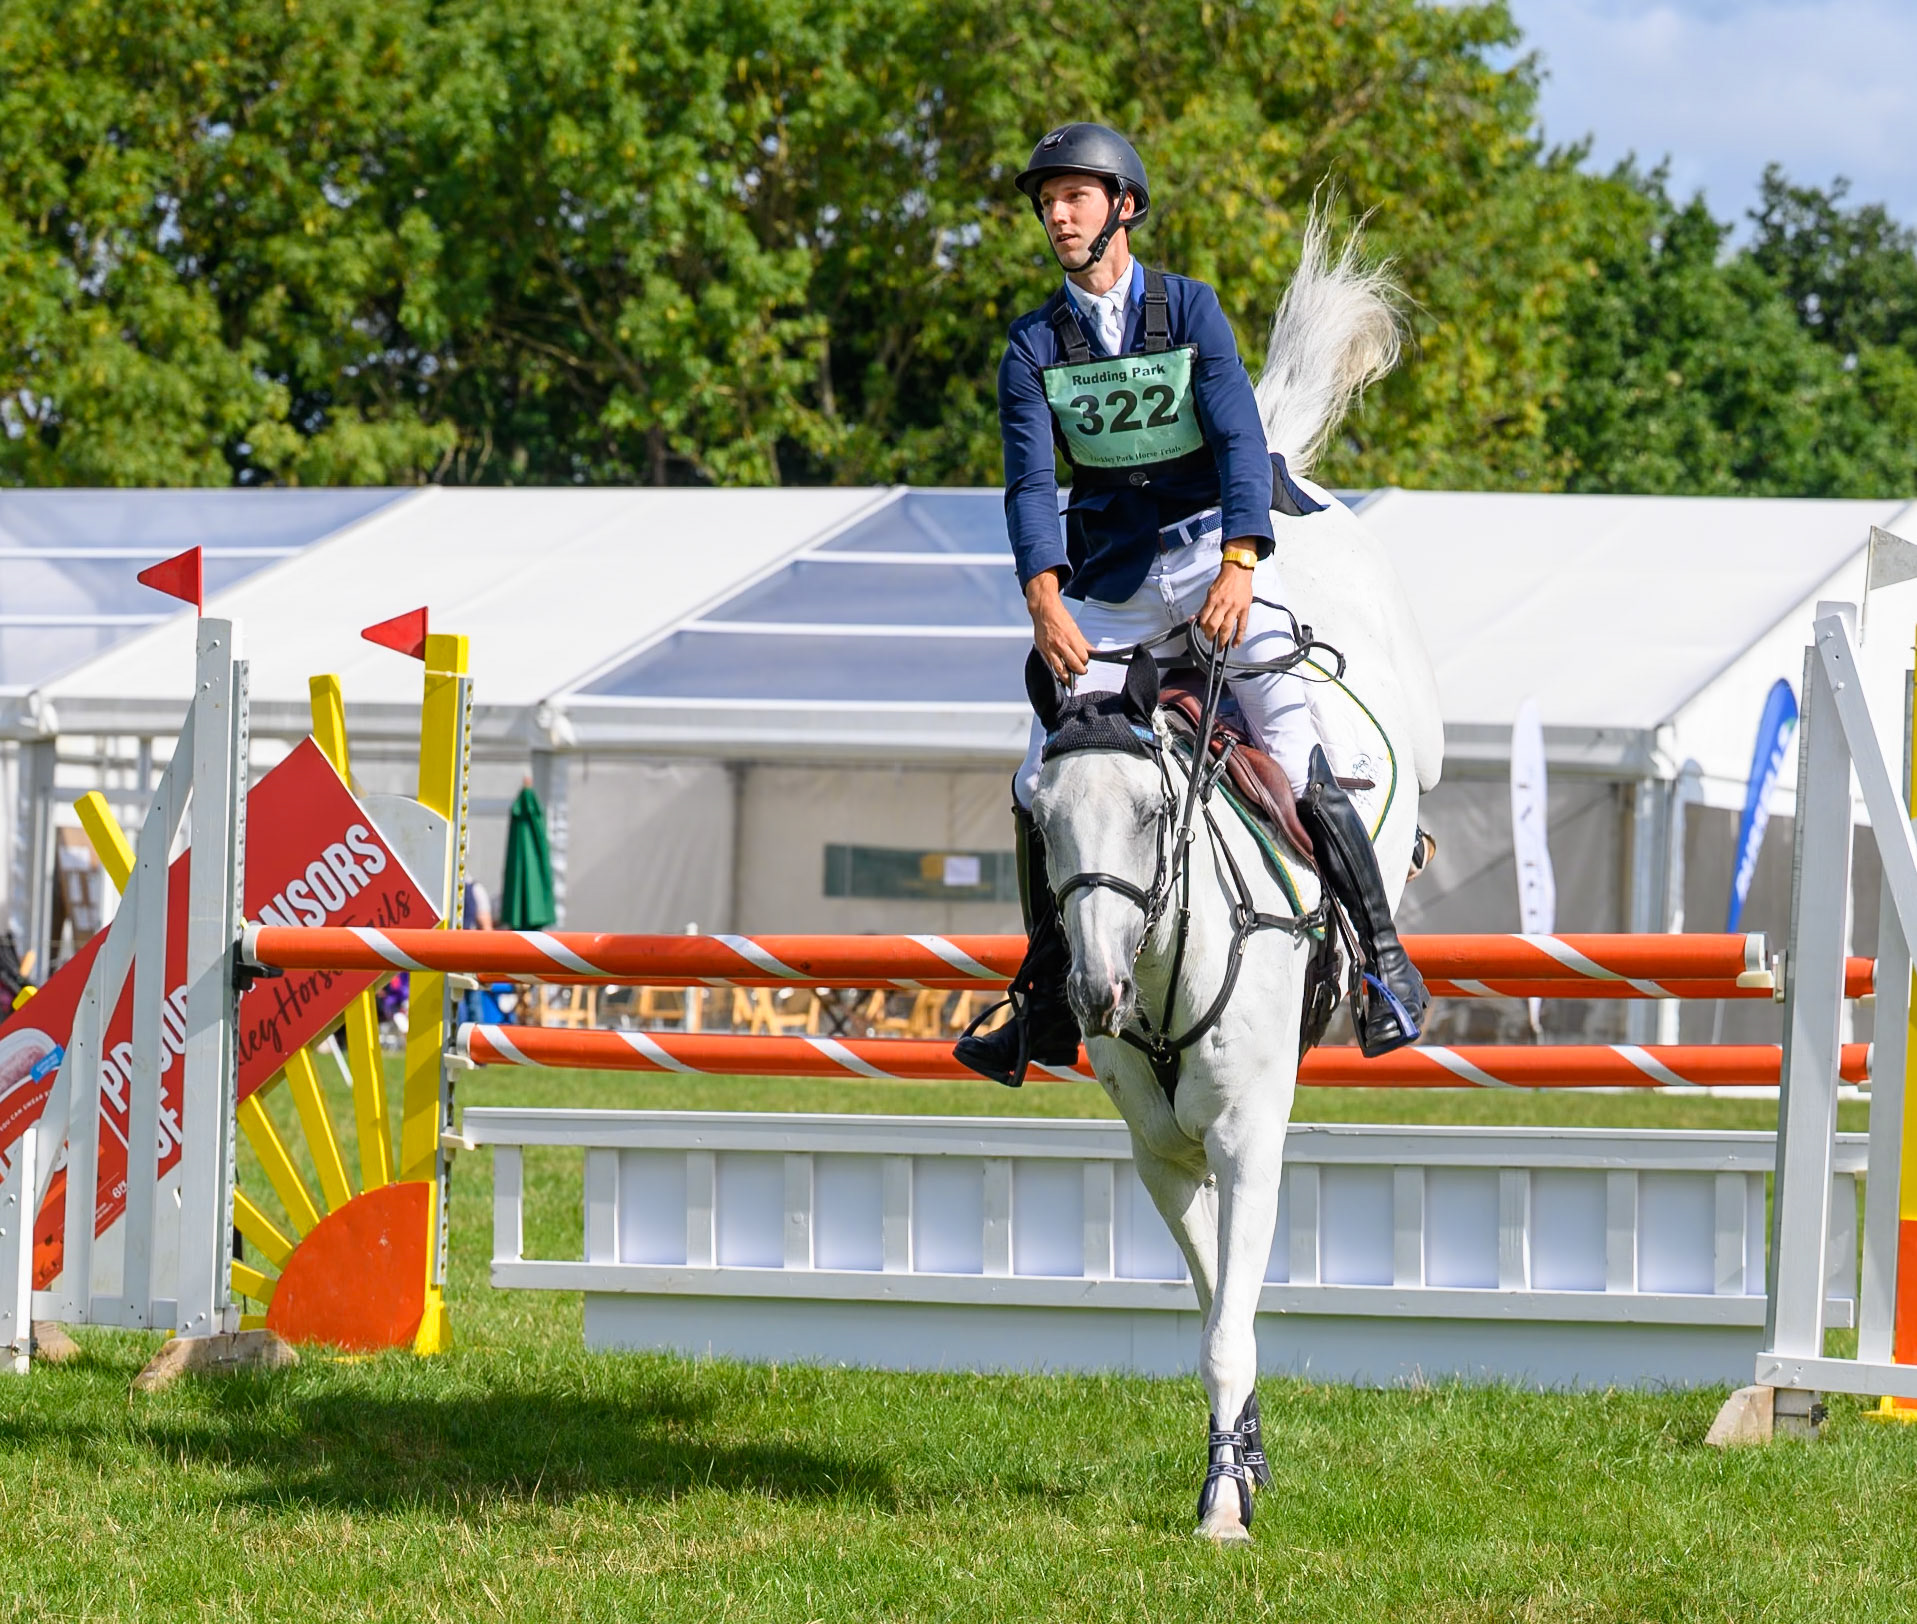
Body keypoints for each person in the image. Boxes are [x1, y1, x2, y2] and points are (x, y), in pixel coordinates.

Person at [954, 122, 1427, 1087]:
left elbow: (1243, 446)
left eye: (1075, 195)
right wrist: (1044, 599)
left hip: (1215, 556)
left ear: (1122, 206)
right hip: (1113, 592)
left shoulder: (1191, 311)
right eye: (1047, 199)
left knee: (1296, 750)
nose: (1056, 212)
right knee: (1036, 778)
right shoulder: (1032, 344)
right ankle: (1042, 1003)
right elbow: (1027, 486)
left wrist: (1242, 564)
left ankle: (1382, 969)